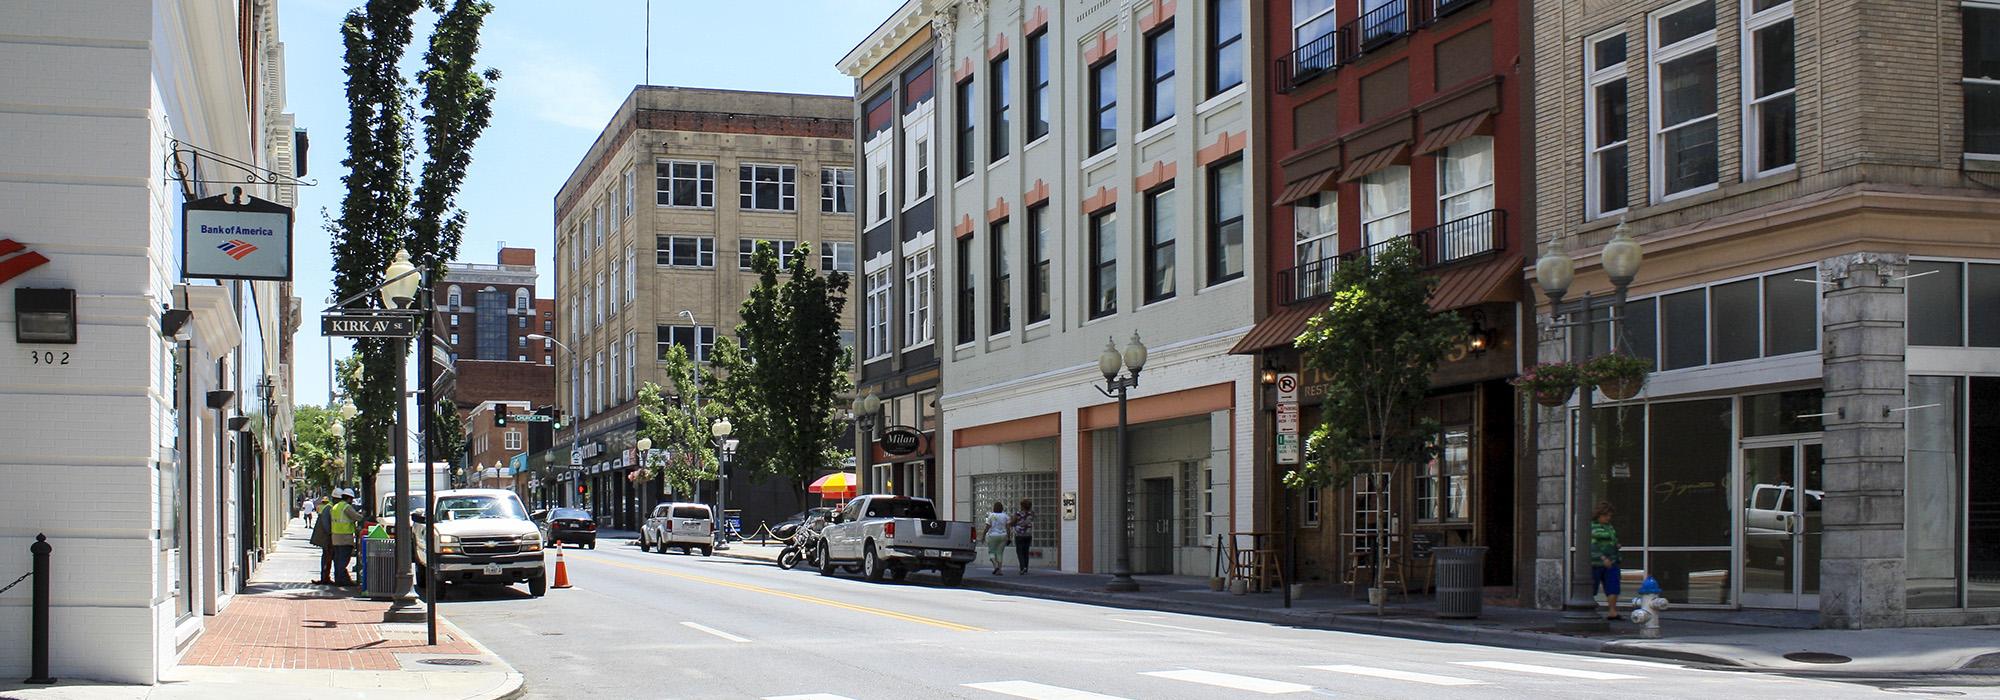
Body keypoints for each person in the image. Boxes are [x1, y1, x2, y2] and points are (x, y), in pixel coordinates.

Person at [1591, 501, 1622, 620]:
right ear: (1599, 515)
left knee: (1613, 586)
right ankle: (1589, 608)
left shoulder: (1609, 527)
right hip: (1596, 562)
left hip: (1613, 560)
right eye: (1606, 515)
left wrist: (1616, 545)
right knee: (1592, 586)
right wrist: (1602, 558)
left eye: (1610, 516)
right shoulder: (1591, 526)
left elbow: (1612, 540)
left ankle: (1612, 611)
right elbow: (1592, 545)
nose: (1608, 518)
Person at [329, 489, 364, 587]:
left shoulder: (335, 507)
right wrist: (363, 516)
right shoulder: (346, 507)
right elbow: (356, 517)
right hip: (345, 537)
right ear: (349, 498)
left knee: (338, 559)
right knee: (344, 560)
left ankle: (338, 579)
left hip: (335, 537)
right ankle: (341, 580)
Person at [311, 496, 335, 585]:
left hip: (328, 537)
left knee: (327, 557)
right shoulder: (329, 508)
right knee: (327, 557)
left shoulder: (329, 507)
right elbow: (326, 524)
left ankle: (325, 577)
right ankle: (324, 577)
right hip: (326, 538)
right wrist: (330, 534)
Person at [983, 502, 1012, 576]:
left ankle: (995, 566)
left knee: (991, 552)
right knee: (999, 553)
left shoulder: (991, 516)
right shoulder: (1005, 516)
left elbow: (987, 527)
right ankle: (999, 570)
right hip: (1003, 536)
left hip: (992, 536)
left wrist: (983, 536)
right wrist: (1009, 537)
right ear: (1002, 508)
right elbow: (1008, 528)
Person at [1011, 499, 1034, 575]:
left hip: (1019, 535)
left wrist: (1012, 524)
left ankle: (1022, 567)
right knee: (1026, 551)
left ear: (1022, 506)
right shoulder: (1032, 513)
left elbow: (1013, 522)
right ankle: (1026, 568)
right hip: (1028, 534)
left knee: (1019, 552)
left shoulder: (1018, 513)